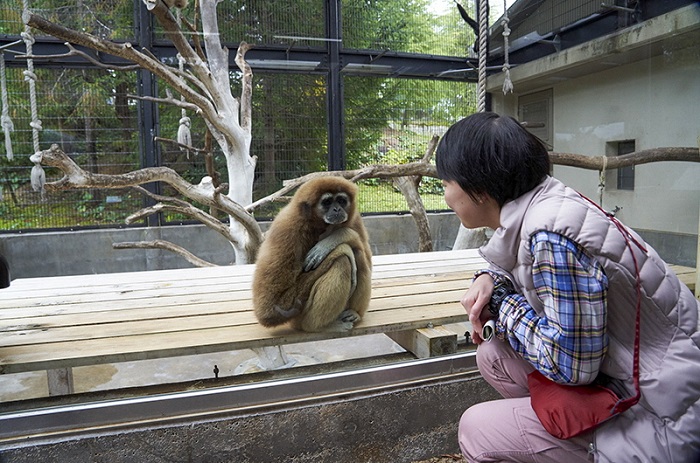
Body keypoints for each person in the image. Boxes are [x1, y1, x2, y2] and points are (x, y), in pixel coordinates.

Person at [435, 112, 700, 462]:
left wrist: (502, 304)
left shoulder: (551, 239)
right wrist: (491, 279)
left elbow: (571, 366)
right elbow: (517, 269)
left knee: (476, 429)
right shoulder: (548, 204)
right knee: (492, 354)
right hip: (636, 379)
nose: (444, 196)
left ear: (480, 191)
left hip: (661, 416)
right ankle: (556, 437)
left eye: (445, 184)